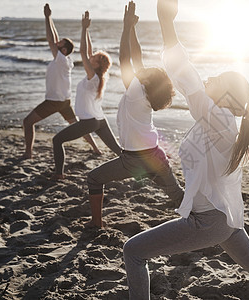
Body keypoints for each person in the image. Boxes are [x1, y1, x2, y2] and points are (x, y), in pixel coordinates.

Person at [122, 0, 249, 299]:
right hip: (225, 219)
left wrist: (167, 22)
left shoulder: (221, 120)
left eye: (218, 79)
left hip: (208, 221)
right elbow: (190, 84)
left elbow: (186, 76)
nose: (209, 79)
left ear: (226, 97)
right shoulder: (217, 121)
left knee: (133, 251)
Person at [85, 1, 184, 228]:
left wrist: (125, 27)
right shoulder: (146, 92)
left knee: (94, 178)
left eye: (147, 71)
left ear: (148, 80)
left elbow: (125, 60)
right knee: (177, 195)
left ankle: (96, 223)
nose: (143, 69)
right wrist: (131, 28)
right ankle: (205, 217)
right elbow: (136, 57)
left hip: (133, 159)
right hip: (156, 156)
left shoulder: (136, 91)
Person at [22, 3, 100, 159]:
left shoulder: (61, 60)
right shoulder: (65, 59)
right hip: (64, 101)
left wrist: (46, 17)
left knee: (27, 122)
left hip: (54, 101)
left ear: (63, 50)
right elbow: (55, 39)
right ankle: (96, 149)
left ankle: (28, 154)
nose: (56, 44)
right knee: (78, 126)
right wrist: (50, 18)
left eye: (60, 44)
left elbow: (51, 40)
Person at [51, 11, 122, 180]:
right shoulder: (99, 77)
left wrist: (83, 29)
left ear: (97, 64)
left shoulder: (93, 77)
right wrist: (87, 30)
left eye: (95, 58)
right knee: (119, 151)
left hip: (89, 122)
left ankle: (59, 174)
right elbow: (88, 51)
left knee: (57, 140)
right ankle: (145, 166)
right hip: (100, 120)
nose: (91, 57)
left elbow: (83, 52)